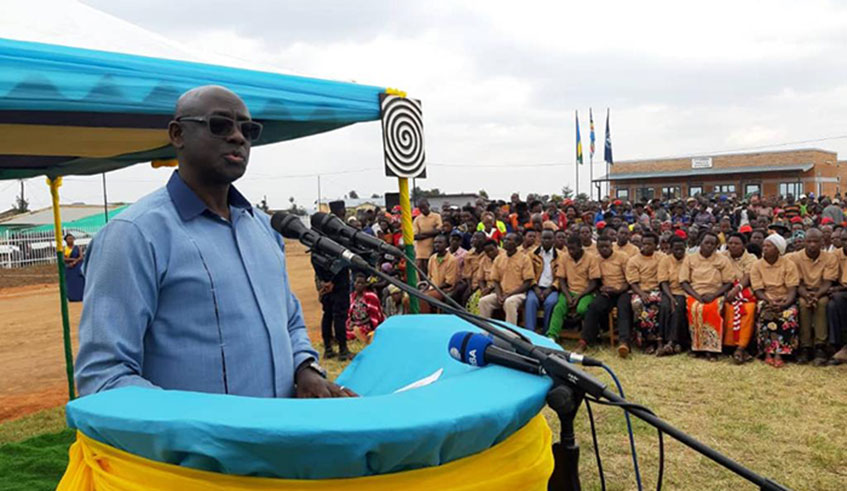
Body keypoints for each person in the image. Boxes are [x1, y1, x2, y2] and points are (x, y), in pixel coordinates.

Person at [75, 86, 351, 398]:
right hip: (199, 446)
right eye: (220, 125)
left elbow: (290, 323)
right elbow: (104, 376)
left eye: (248, 130)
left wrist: (305, 369)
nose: (238, 137)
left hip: (280, 439)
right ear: (178, 134)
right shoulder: (133, 235)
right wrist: (208, 429)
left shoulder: (265, 228)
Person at [787, 228, 838, 365]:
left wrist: (816, 296)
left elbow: (828, 281)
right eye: (809, 241)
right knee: (803, 305)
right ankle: (805, 347)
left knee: (821, 304)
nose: (812, 245)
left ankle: (820, 347)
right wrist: (808, 296)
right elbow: (797, 283)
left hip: (822, 291)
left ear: (822, 242)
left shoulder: (830, 258)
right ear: (804, 242)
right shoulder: (795, 257)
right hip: (803, 291)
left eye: (816, 241)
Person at [680, 232, 734, 360]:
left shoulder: (722, 260)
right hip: (695, 293)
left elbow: (728, 282)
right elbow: (684, 281)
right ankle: (697, 348)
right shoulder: (690, 258)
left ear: (716, 246)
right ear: (700, 243)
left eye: (712, 244)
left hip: (715, 294)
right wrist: (697, 296)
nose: (709, 246)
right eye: (706, 243)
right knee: (695, 309)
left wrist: (714, 295)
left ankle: (712, 350)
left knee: (710, 310)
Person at [750, 234, 800, 368]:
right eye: (764, 245)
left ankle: (780, 354)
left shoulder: (789, 265)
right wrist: (769, 301)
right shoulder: (757, 265)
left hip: (785, 298)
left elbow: (792, 290)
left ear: (778, 249)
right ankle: (767, 352)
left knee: (788, 314)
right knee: (765, 312)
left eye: (769, 246)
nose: (764, 248)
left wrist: (785, 304)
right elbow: (758, 290)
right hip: (766, 298)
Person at [578, 235, 631, 354]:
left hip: (622, 290)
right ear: (597, 248)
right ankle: (585, 341)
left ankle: (624, 342)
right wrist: (601, 289)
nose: (604, 249)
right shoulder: (595, 259)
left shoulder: (622, 257)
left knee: (623, 308)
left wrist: (618, 290)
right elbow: (595, 280)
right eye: (601, 247)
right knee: (593, 307)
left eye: (607, 246)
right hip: (606, 292)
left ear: (612, 245)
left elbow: (629, 280)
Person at [547, 235, 601, 341]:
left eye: (573, 249)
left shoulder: (591, 258)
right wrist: (567, 296)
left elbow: (594, 282)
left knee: (582, 309)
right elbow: (561, 279)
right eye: (569, 249)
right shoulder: (564, 257)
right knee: (559, 308)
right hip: (569, 291)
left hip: (586, 292)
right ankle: (552, 336)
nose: (571, 251)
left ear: (580, 247)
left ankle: (590, 335)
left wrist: (579, 296)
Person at [479, 233, 535, 325]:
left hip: (518, 294)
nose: (505, 241)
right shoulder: (499, 259)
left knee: (509, 302)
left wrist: (509, 295)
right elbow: (495, 280)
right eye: (505, 239)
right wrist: (499, 295)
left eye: (509, 240)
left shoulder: (525, 259)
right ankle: (485, 330)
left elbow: (527, 282)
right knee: (483, 301)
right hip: (502, 293)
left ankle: (510, 333)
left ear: (517, 243)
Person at [722, 232, 758, 363]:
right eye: (730, 243)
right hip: (725, 289)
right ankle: (728, 345)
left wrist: (737, 289)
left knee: (748, 309)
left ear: (744, 246)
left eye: (736, 244)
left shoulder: (751, 258)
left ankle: (741, 346)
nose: (733, 246)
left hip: (744, 291)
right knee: (727, 307)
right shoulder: (722, 256)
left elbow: (748, 277)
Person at [625, 232, 663, 354]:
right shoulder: (633, 260)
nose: (646, 246)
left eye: (649, 244)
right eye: (644, 243)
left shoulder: (661, 258)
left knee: (655, 305)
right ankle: (645, 340)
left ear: (656, 245)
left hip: (657, 290)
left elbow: (663, 278)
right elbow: (633, 282)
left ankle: (657, 340)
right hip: (639, 290)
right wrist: (641, 293)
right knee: (637, 304)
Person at [657, 236, 688, 356]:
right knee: (665, 306)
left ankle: (672, 341)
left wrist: (674, 300)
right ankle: (662, 340)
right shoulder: (665, 260)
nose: (679, 252)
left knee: (678, 306)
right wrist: (670, 297)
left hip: (684, 292)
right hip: (669, 291)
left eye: (681, 249)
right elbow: (663, 281)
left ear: (685, 248)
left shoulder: (689, 260)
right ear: (671, 249)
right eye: (676, 249)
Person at [525, 230, 559, 333]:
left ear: (554, 240)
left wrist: (551, 288)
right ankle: (530, 332)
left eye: (549, 238)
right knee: (531, 301)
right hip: (535, 287)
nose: (546, 241)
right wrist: (535, 288)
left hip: (552, 289)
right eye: (544, 238)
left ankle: (546, 332)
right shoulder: (532, 254)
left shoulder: (560, 256)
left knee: (551, 302)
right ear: (540, 239)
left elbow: (561, 276)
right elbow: (528, 274)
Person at [420, 234, 460, 313]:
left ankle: (426, 320)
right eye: (435, 243)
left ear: (446, 244)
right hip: (432, 288)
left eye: (440, 242)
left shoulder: (452, 260)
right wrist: (423, 290)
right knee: (409, 298)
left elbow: (449, 283)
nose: (437, 245)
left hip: (444, 290)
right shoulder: (432, 258)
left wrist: (434, 288)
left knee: (423, 298)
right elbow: (429, 278)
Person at [347, 273, 385, 345]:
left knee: (358, 333)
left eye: (362, 283)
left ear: (365, 285)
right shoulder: (351, 297)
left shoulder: (371, 297)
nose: (359, 285)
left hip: (366, 325)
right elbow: (349, 314)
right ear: (354, 283)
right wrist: (351, 324)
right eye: (358, 282)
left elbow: (374, 317)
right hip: (354, 324)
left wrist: (360, 324)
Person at [827, 227, 847, 364]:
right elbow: (831, 277)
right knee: (832, 305)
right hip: (840, 292)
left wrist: (838, 289)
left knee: (838, 299)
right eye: (844, 240)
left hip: (841, 292)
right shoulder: (835, 255)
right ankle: (837, 346)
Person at [413, 198, 442, 271]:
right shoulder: (417, 219)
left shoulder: (436, 216)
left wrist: (423, 234)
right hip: (420, 251)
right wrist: (431, 233)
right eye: (420, 208)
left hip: (432, 248)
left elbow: (439, 230)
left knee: (432, 269)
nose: (422, 210)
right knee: (421, 270)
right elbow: (415, 236)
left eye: (424, 207)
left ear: (428, 205)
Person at [63, 232, 85, 302]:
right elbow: (63, 258)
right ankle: (71, 297)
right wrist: (72, 260)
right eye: (69, 239)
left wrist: (75, 261)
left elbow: (81, 257)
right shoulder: (65, 249)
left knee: (79, 282)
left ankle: (80, 296)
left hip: (77, 266)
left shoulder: (78, 248)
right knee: (70, 282)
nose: (70, 240)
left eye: (72, 238)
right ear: (66, 240)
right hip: (69, 267)